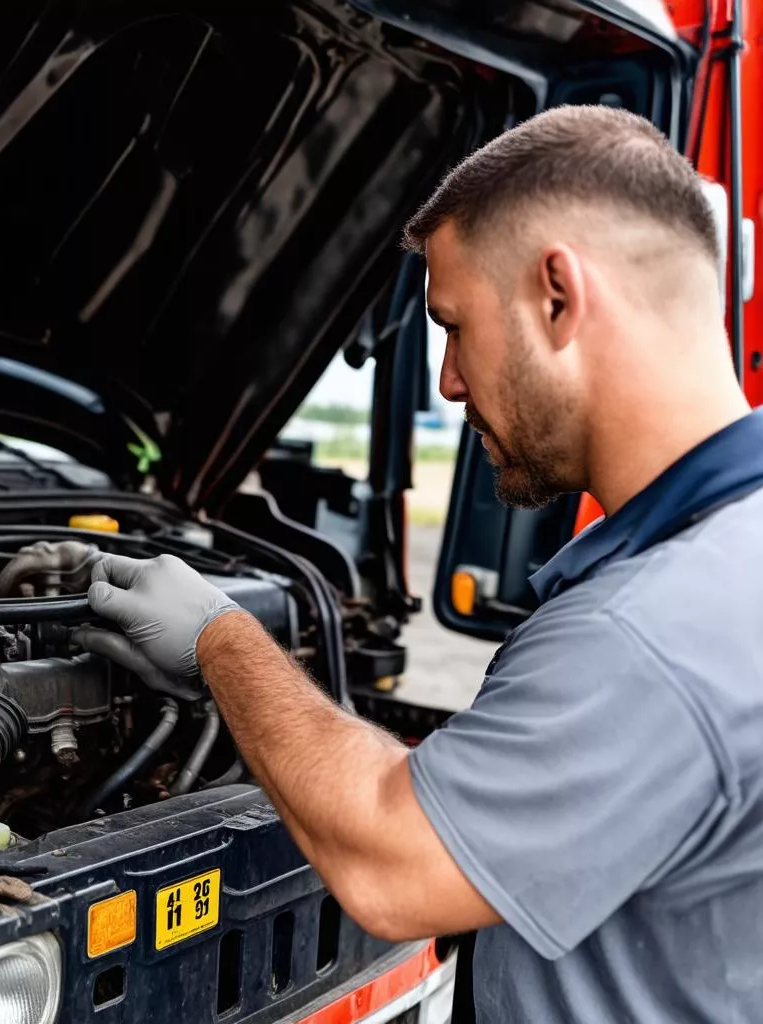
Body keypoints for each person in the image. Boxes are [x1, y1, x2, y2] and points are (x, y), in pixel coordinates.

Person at [76, 106, 763, 1022]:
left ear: (558, 295)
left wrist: (218, 639)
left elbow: (392, 865)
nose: (447, 379)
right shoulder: (729, 549)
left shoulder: (653, 628)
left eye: (453, 323)